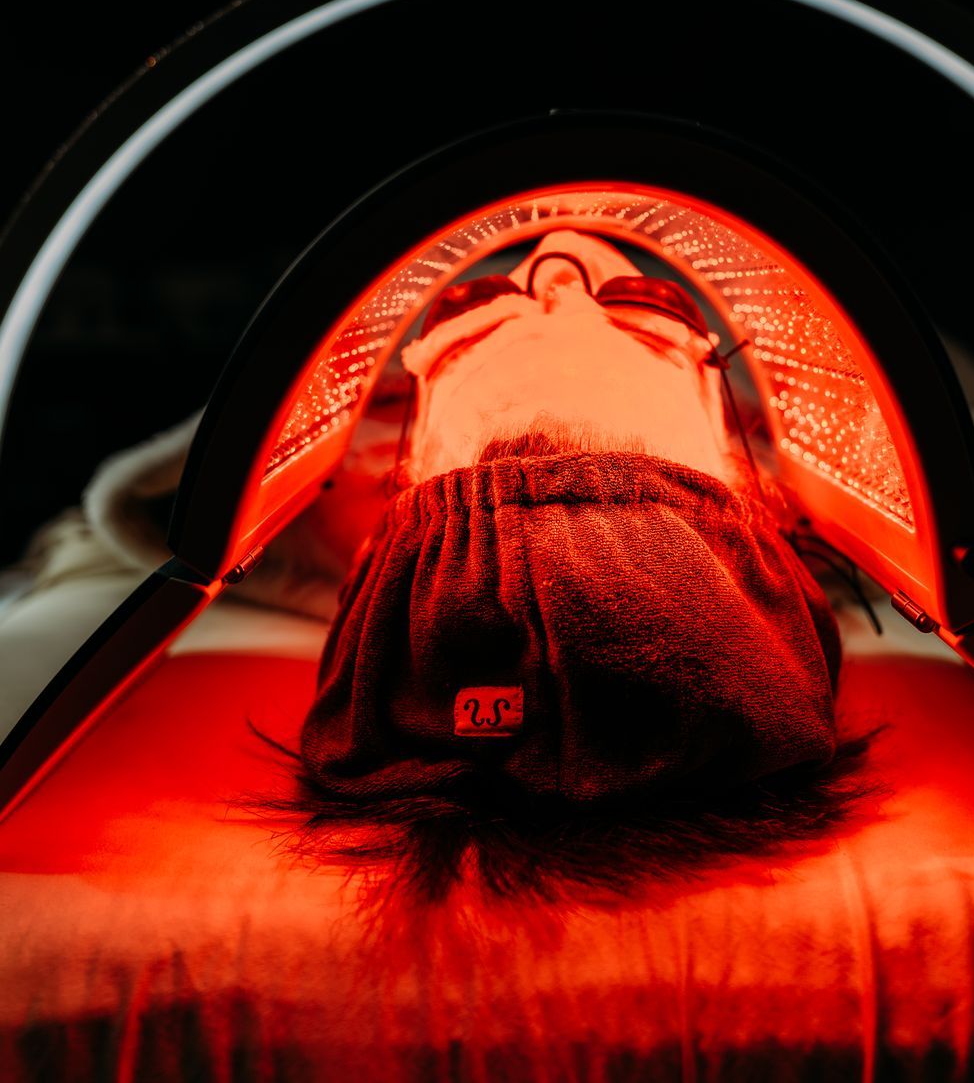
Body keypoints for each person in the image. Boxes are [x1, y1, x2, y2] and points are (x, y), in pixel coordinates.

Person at [276, 230, 875, 900]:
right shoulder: (341, 467)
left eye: (645, 303)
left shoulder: (805, 454)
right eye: (480, 305)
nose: (559, 267)